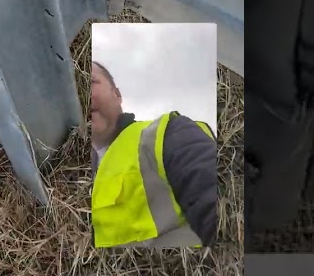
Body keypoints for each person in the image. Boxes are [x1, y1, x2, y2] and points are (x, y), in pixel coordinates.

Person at [89, 60, 218, 248]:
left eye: (90, 81)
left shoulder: (168, 133)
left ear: (117, 95)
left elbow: (215, 202)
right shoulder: (63, 173)